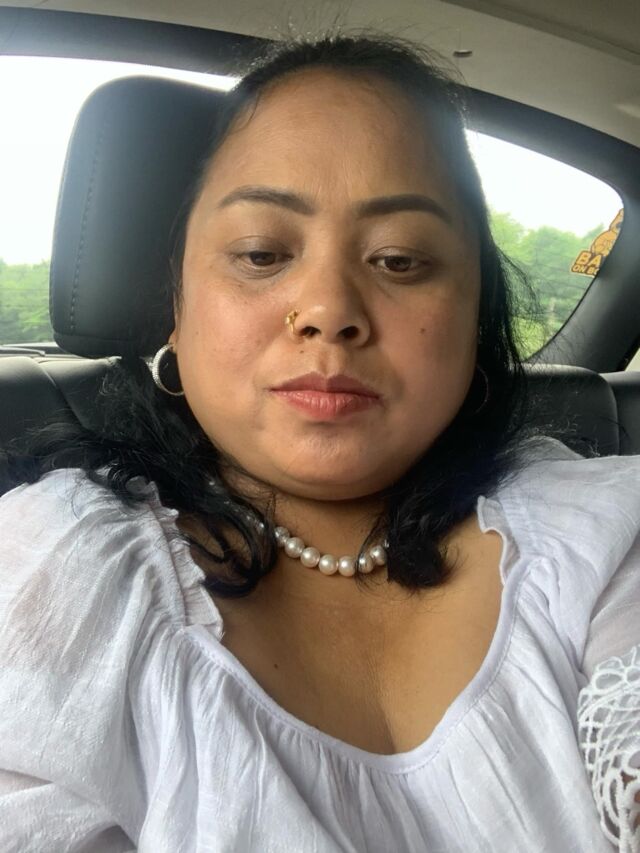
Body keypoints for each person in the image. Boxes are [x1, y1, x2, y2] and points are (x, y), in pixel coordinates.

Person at [1, 30, 639, 853]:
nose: (329, 309)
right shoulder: (57, 572)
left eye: (400, 259)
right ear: (176, 308)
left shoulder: (598, 533)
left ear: (473, 319)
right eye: (262, 253)